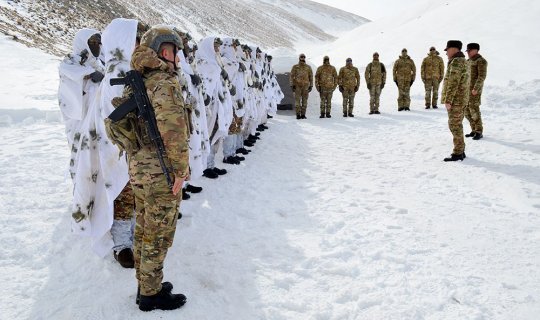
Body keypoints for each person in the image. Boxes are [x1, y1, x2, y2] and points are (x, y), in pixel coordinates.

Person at [129, 25, 189, 311]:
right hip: (159, 171)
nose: (178, 57)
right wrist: (181, 171)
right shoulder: (163, 82)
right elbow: (174, 132)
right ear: (165, 50)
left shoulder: (142, 78)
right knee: (159, 232)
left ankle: (146, 283)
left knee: (144, 227)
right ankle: (151, 295)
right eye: (176, 51)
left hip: (140, 167)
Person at [441, 40, 471, 162]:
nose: (446, 52)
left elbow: (453, 82)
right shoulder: (461, 61)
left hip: (456, 100)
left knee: (454, 125)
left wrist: (448, 100)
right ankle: (461, 150)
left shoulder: (457, 62)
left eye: (447, 50)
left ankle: (458, 152)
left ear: (454, 49)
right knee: (457, 125)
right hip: (460, 99)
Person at [464, 43, 488, 140]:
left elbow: (481, 76)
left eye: (470, 51)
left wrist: (476, 88)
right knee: (466, 111)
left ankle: (479, 131)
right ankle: (473, 129)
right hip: (465, 90)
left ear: (476, 50)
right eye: (467, 51)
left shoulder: (481, 61)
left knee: (474, 110)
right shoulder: (468, 61)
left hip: (474, 91)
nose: (468, 53)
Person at [290, 53, 313, 119]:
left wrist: (311, 85)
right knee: (297, 101)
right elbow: (291, 76)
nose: (302, 58)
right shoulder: (295, 67)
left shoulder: (308, 67)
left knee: (305, 101)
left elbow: (311, 77)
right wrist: (292, 85)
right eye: (301, 57)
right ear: (299, 58)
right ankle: (298, 114)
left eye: (303, 57)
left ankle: (303, 114)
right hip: (297, 86)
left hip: (305, 87)